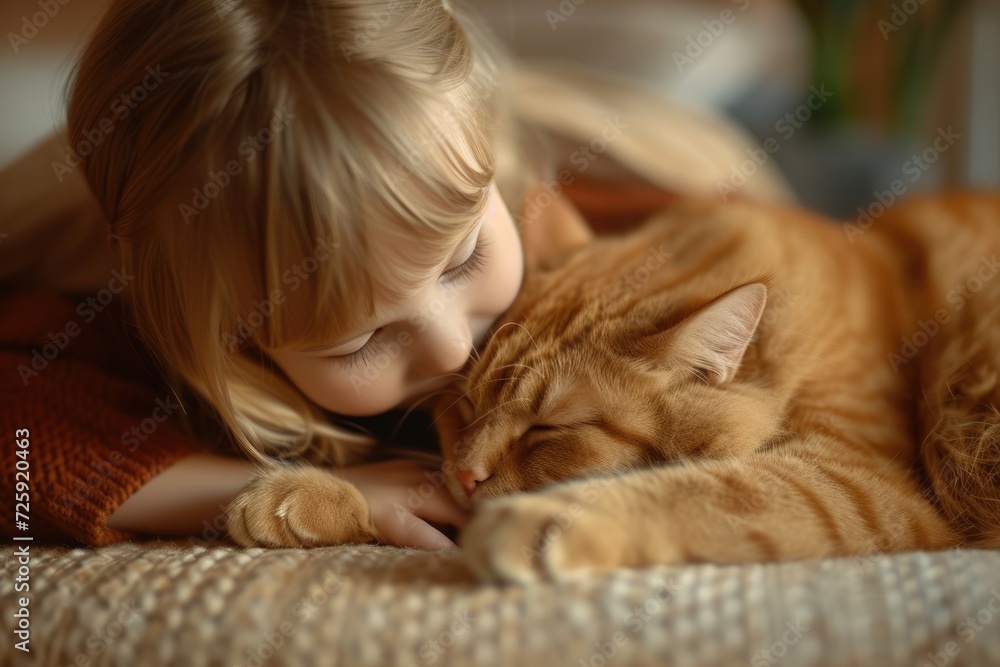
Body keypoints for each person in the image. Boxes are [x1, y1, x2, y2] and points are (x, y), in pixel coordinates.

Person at [0, 0, 598, 549]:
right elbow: (17, 452)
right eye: (357, 342)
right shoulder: (122, 316)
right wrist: (275, 488)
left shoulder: (557, 218)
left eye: (465, 258)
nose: (449, 348)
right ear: (226, 334)